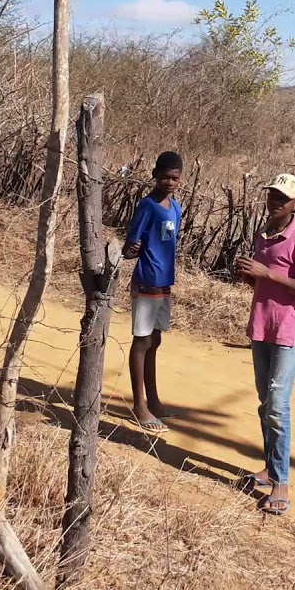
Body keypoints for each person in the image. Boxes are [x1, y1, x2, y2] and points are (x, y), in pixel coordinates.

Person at [234, 173, 295, 516]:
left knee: (277, 407)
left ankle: (281, 482)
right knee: (265, 403)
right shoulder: (264, 234)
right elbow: (263, 281)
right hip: (262, 327)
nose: (275, 202)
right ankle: (271, 468)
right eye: (272, 195)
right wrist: (250, 275)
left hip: (287, 332)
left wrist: (267, 274)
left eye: (282, 198)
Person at [122, 151, 183, 433]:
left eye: (174, 178)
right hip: (147, 281)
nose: (169, 182)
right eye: (165, 177)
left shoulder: (176, 208)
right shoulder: (147, 207)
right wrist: (132, 250)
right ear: (154, 175)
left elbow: (167, 243)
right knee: (142, 341)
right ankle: (140, 405)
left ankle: (154, 401)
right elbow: (130, 247)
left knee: (155, 340)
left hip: (164, 283)